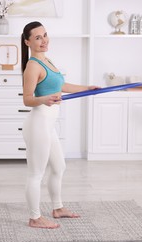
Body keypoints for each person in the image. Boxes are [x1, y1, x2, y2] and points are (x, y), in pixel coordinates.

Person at [21, 21, 100, 229]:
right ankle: (35, 218)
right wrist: (44, 99)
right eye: (37, 38)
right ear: (28, 41)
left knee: (59, 166)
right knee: (36, 174)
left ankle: (57, 208)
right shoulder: (32, 66)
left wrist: (87, 88)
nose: (44, 40)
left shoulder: (47, 60)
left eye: (45, 35)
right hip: (38, 123)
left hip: (47, 125)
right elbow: (27, 99)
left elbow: (61, 85)